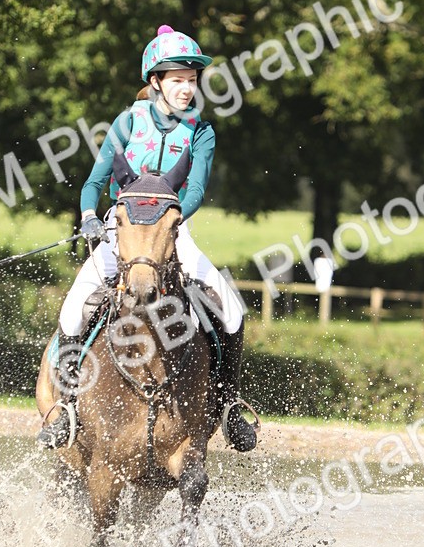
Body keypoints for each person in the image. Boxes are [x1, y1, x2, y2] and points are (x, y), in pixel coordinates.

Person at [37, 24, 259, 452]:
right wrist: (88, 216)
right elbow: (92, 184)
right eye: (178, 79)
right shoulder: (125, 123)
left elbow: (193, 192)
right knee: (71, 313)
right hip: (121, 233)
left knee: (231, 312)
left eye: (192, 80)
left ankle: (230, 408)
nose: (187, 88)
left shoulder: (201, 132)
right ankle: (65, 409)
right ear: (155, 81)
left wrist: (166, 220)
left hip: (171, 232)